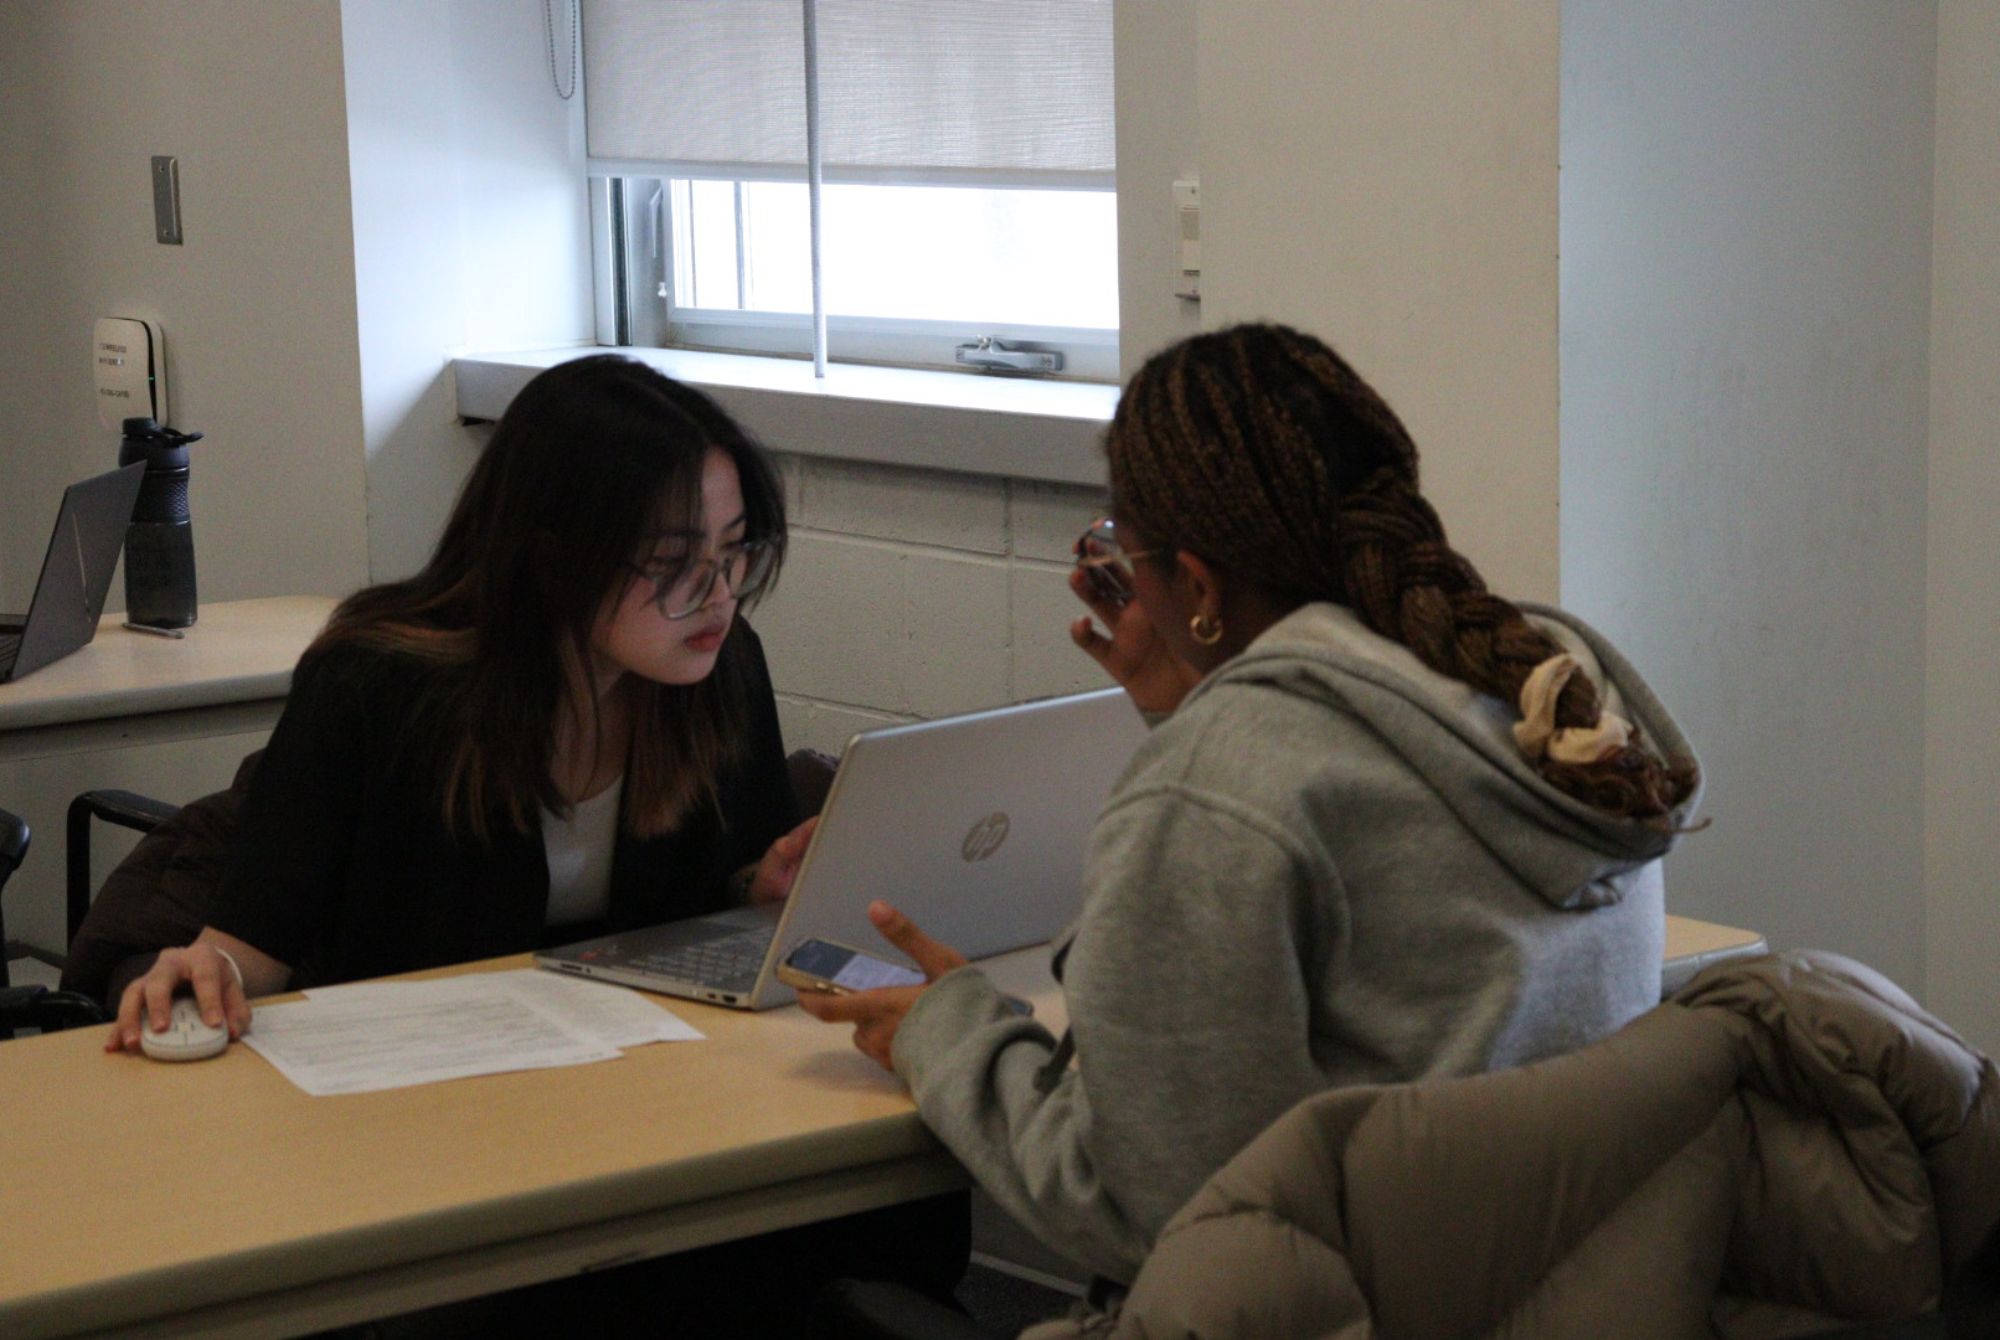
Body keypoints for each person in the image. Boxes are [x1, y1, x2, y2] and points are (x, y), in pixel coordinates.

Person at [800, 322, 1704, 1286]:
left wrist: (951, 1036)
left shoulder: (1221, 787)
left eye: (1123, 552)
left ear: (1194, 582)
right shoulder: (1542, 700)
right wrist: (1198, 706)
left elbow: (1155, 1214)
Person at [104, 353, 966, 1337]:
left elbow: (713, 887)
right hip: (414, 1123)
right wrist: (202, 971)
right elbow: (248, 943)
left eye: (734, 551)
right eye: (676, 560)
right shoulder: (375, 685)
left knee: (862, 1222)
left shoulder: (715, 672)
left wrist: (757, 883)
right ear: (555, 553)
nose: (718, 593)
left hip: (637, 1102)